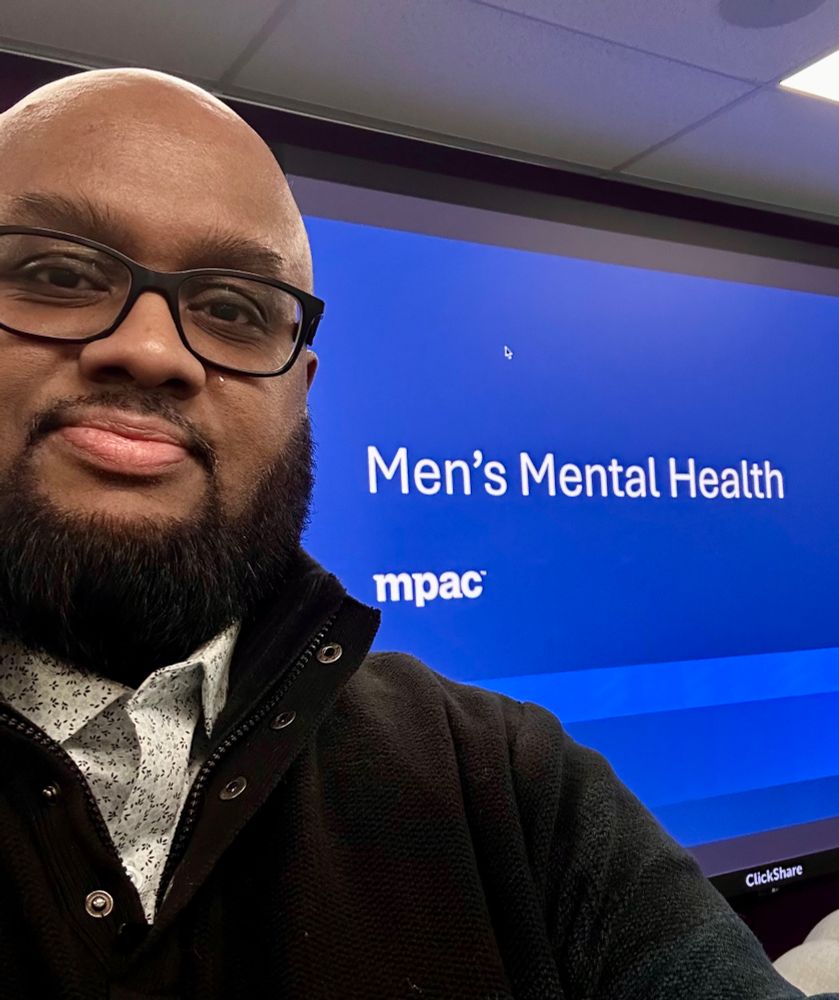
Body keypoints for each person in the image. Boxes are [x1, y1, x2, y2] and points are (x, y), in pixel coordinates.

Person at [0, 66, 829, 1000]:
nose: (150, 351)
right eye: (57, 273)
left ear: (298, 392)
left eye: (231, 309)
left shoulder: (507, 785)